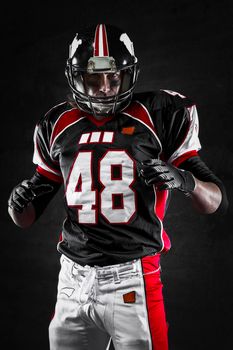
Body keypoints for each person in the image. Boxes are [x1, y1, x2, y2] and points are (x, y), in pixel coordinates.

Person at [8, 23, 228, 350]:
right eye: (93, 78)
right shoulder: (57, 124)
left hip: (132, 278)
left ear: (129, 74)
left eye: (114, 77)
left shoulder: (158, 114)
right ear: (75, 76)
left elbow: (216, 201)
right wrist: (16, 205)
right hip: (71, 280)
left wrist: (185, 180)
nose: (105, 88)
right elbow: (26, 218)